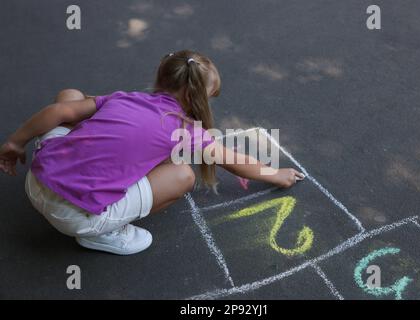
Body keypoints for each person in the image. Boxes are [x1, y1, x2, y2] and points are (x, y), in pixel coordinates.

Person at [0, 50, 304, 255]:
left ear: (161, 77)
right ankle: (102, 234)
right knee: (183, 175)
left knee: (70, 98)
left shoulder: (127, 98)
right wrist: (276, 174)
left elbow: (62, 109)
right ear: (195, 97)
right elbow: (234, 162)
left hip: (37, 180)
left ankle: (87, 203)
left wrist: (15, 142)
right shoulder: (184, 129)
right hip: (73, 216)